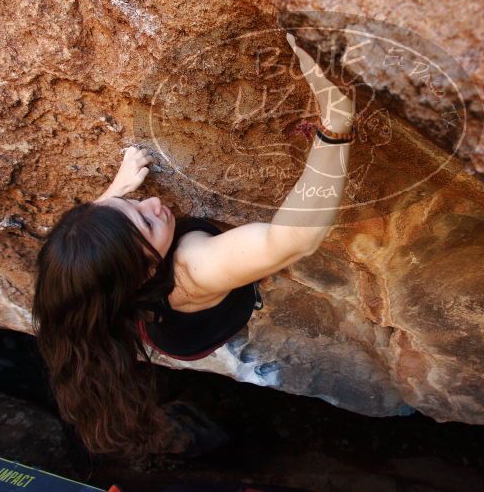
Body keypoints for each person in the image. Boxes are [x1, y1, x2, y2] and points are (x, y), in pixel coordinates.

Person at [31, 32, 358, 460]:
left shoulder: (89, 278)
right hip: (193, 335)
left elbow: (86, 249)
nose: (151, 202)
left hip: (152, 316)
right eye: (147, 222)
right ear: (144, 272)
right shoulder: (196, 266)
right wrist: (335, 125)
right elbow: (294, 239)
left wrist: (113, 197)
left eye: (131, 205)